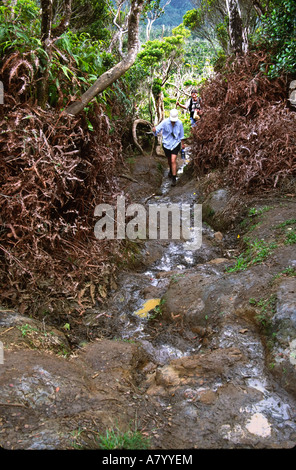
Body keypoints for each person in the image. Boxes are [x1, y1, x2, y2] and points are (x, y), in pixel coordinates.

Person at [152, 109, 185, 187]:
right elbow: (156, 131)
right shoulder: (165, 122)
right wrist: (154, 131)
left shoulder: (179, 123)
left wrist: (182, 144)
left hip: (175, 143)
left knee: (173, 160)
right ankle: (171, 170)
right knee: (169, 160)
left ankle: (174, 178)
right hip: (166, 144)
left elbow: (181, 135)